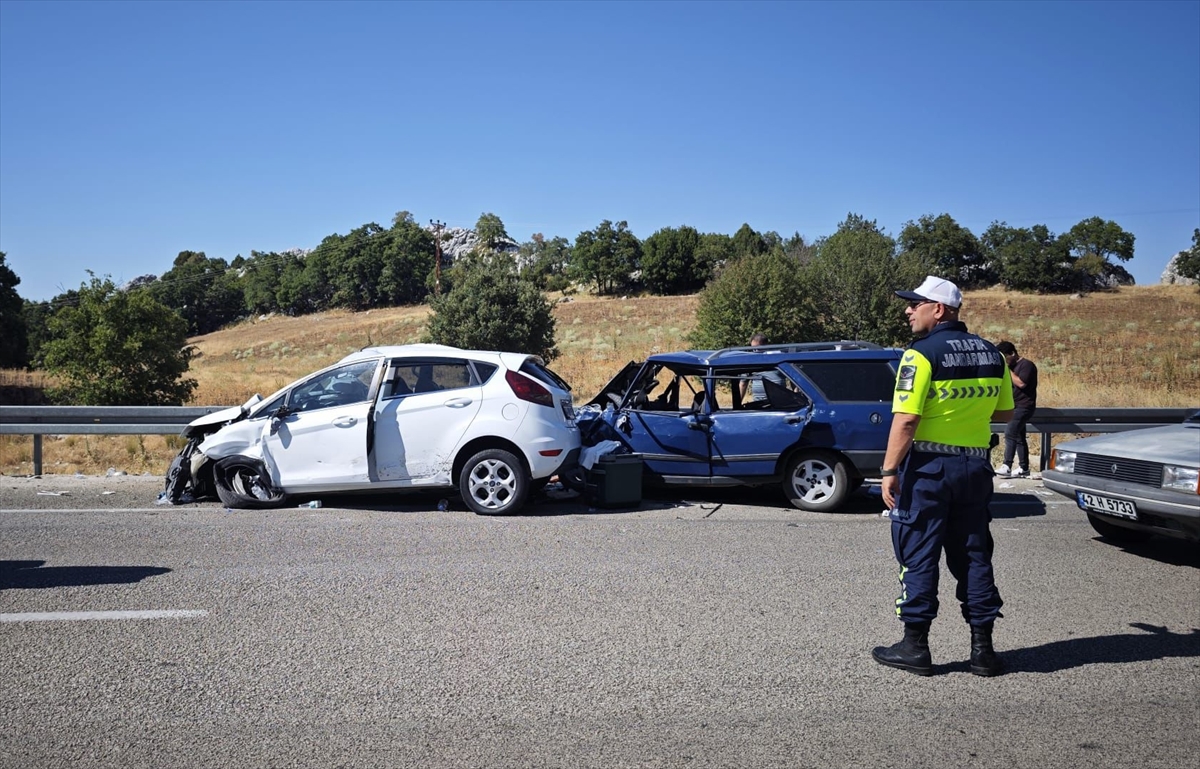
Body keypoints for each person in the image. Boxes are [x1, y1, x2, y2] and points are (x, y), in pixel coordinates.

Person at [874, 275, 1014, 677]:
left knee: (918, 552)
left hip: (929, 468)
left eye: (914, 304)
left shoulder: (920, 355)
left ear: (939, 309)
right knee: (973, 554)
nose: (907, 310)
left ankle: (915, 647)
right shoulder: (992, 354)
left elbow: (906, 420)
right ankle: (983, 651)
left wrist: (888, 471)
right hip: (974, 467)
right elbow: (1004, 413)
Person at [995, 341, 1037, 477]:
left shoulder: (1027, 365)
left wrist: (1006, 369)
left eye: (1005, 357)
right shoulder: (1011, 367)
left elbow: (1021, 383)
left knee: (1010, 433)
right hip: (1014, 406)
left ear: (1012, 353)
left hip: (1024, 406)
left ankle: (1007, 465)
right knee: (1019, 437)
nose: (1005, 361)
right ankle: (1024, 468)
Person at [740, 333, 787, 402]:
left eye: (758, 349)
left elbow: (794, 379)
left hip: (779, 403)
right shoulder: (751, 361)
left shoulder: (779, 359)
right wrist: (737, 405)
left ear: (766, 346)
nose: (755, 352)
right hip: (759, 404)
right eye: (753, 349)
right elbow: (743, 384)